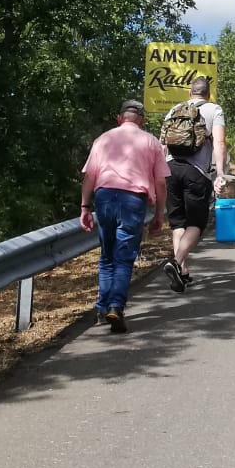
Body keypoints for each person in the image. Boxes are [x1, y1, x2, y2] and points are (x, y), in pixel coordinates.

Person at [79, 100, 168, 332]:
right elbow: (160, 182)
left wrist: (85, 207)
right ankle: (116, 307)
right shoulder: (151, 142)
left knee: (107, 255)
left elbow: (89, 176)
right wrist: (159, 213)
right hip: (133, 200)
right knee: (124, 257)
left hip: (104, 197)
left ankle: (102, 308)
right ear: (142, 120)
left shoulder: (103, 139)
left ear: (120, 119)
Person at [161, 75, 226, 293]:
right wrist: (220, 172)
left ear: (190, 92)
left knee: (178, 222)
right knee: (196, 223)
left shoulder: (174, 110)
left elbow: (163, 144)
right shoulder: (214, 110)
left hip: (170, 169)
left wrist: (160, 171)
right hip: (196, 172)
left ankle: (183, 273)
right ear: (208, 94)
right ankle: (177, 262)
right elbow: (219, 142)